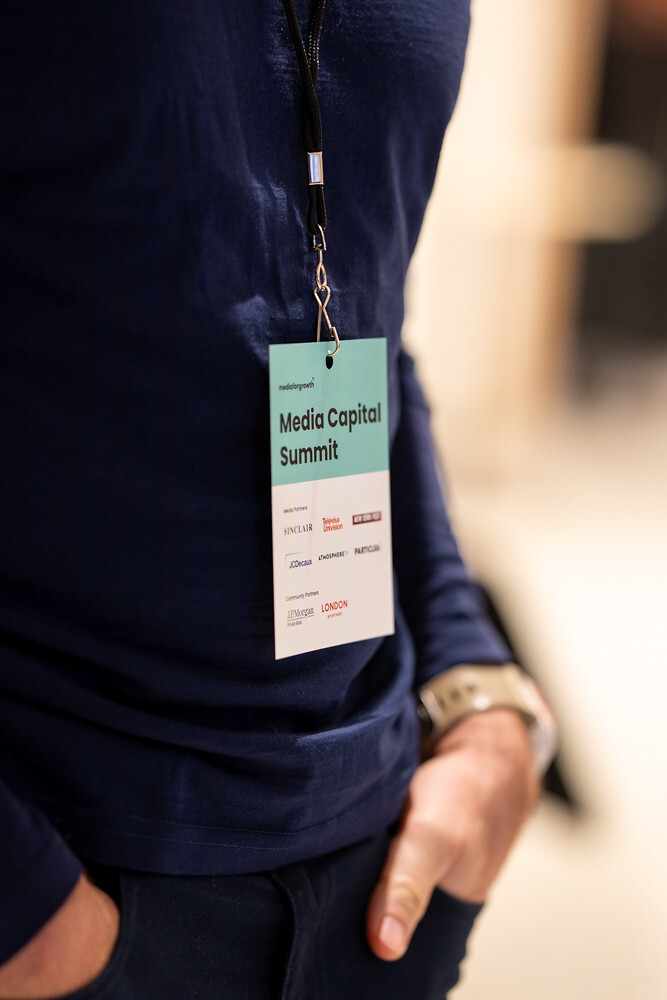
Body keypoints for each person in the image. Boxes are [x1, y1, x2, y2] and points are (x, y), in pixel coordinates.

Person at [0, 2, 552, 997]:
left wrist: (475, 681)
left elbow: (363, 306)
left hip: (379, 886)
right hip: (63, 879)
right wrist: (27, 915)